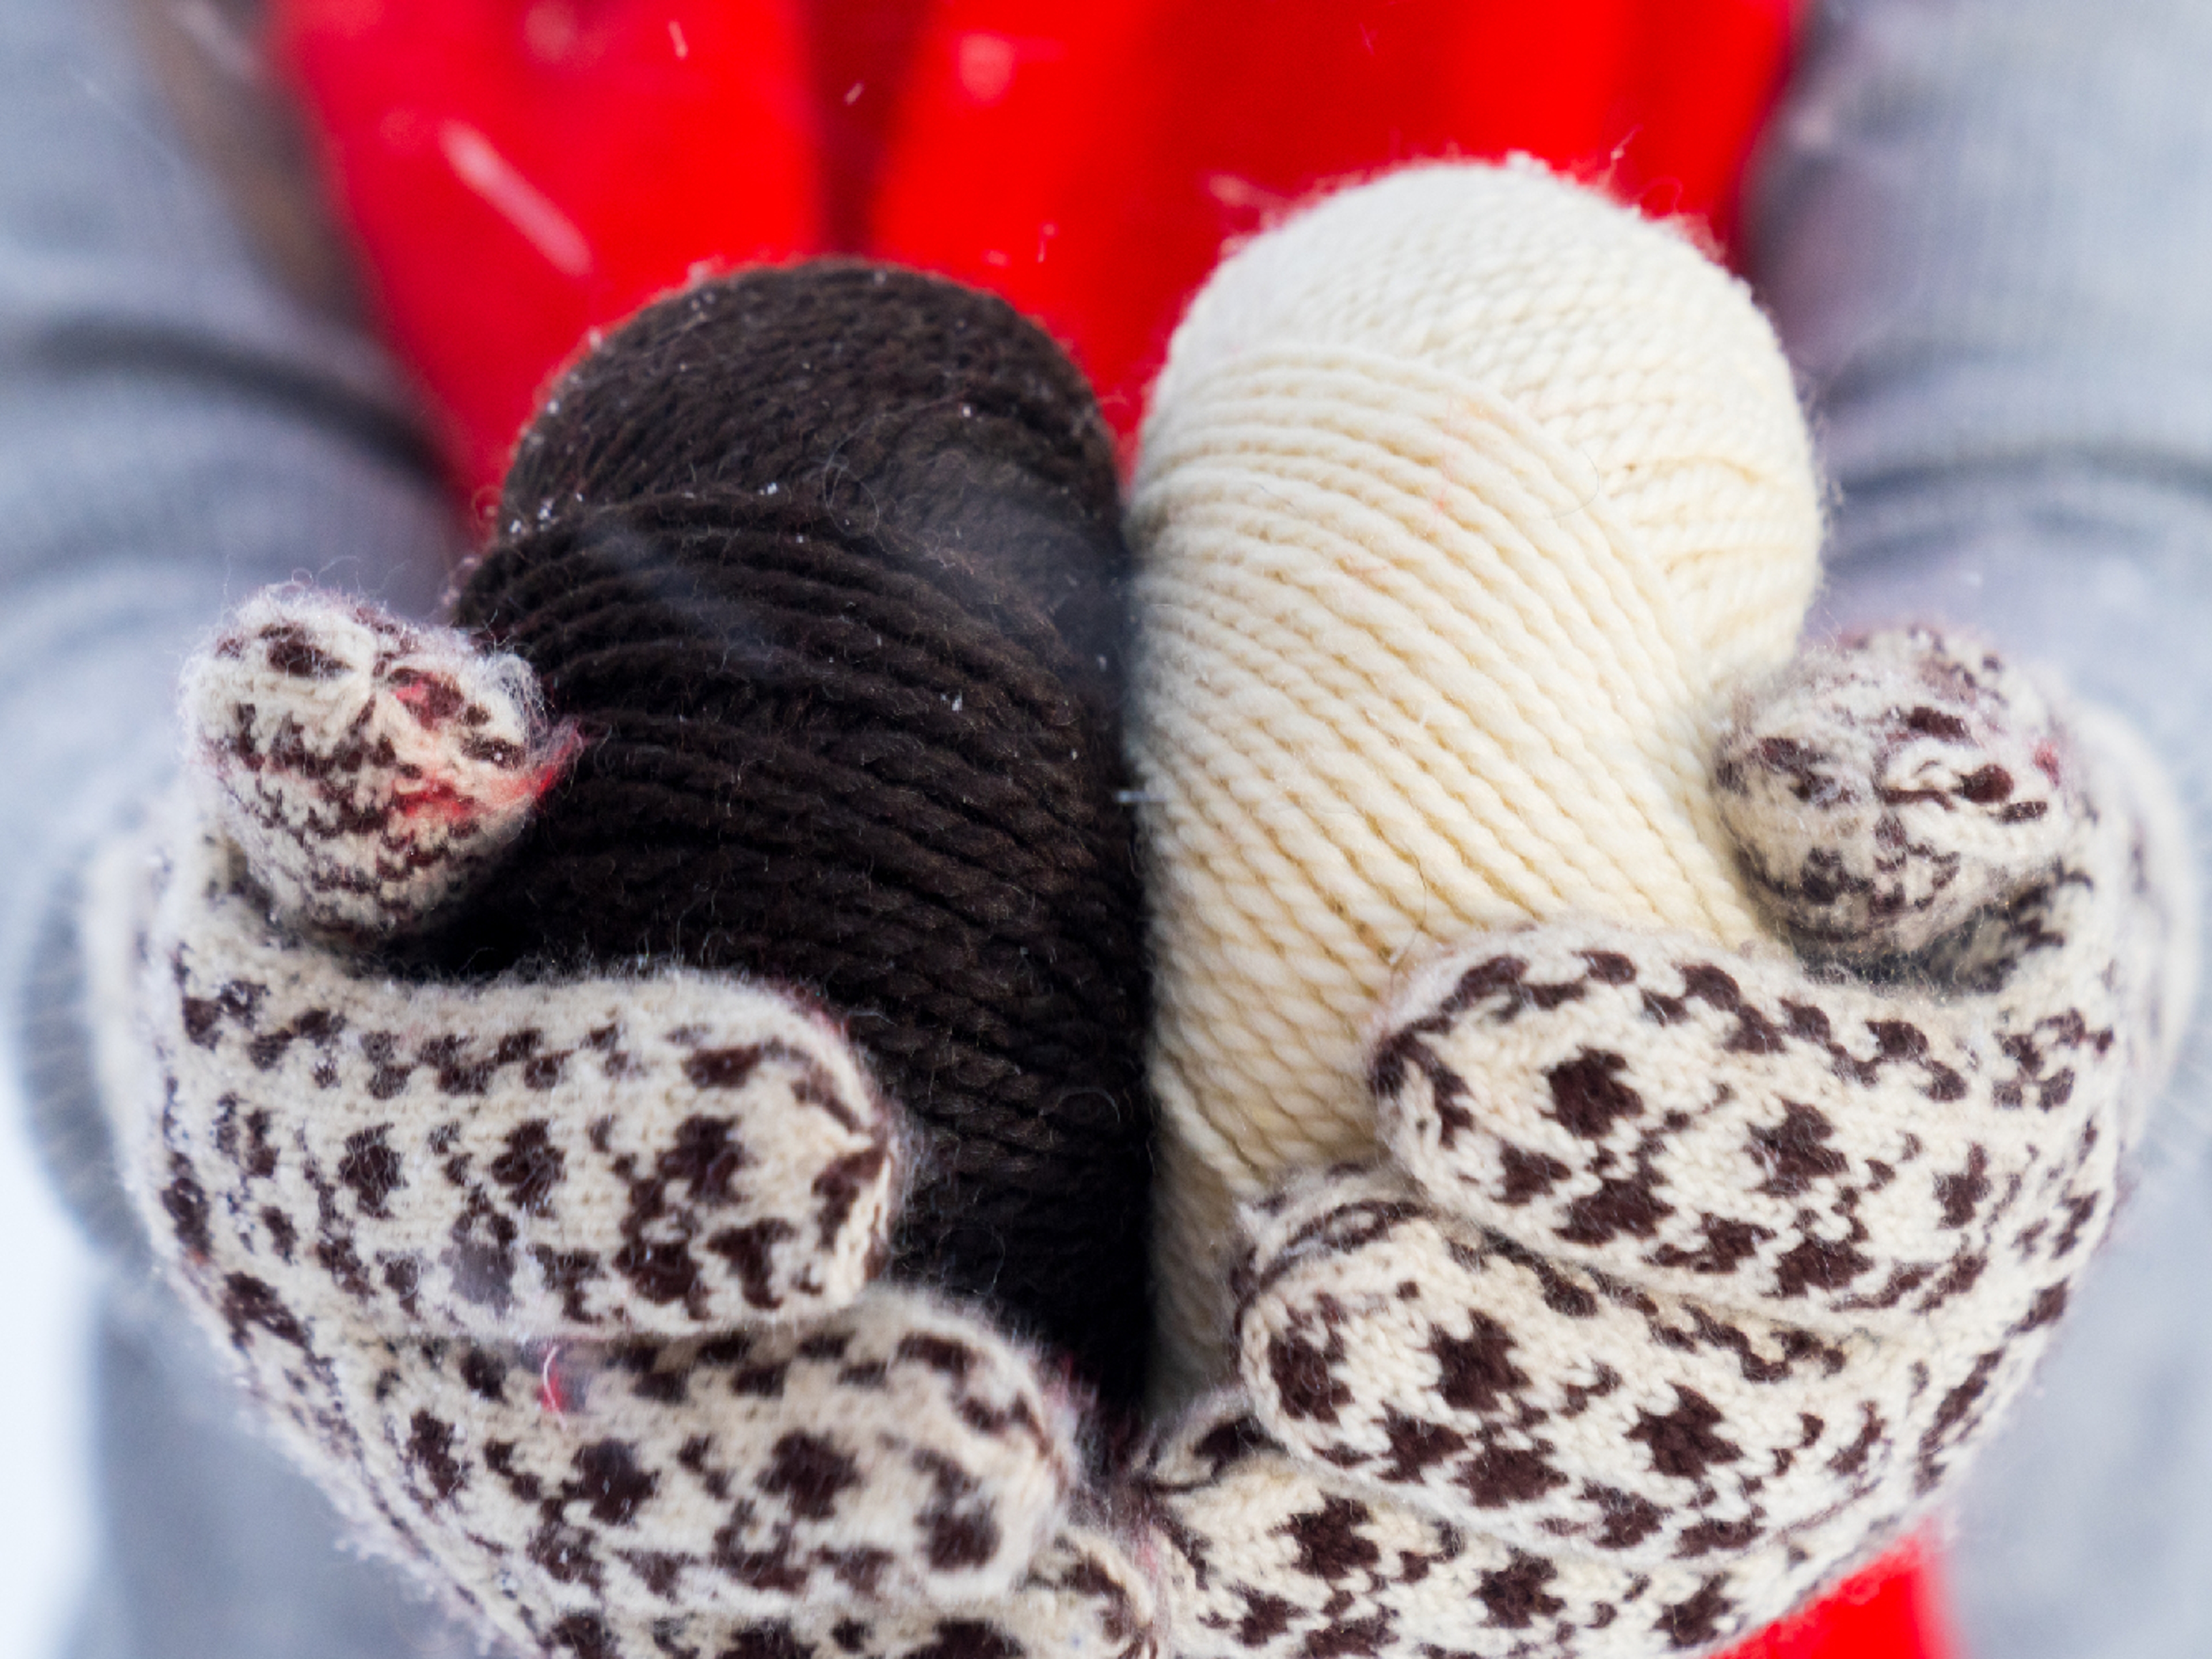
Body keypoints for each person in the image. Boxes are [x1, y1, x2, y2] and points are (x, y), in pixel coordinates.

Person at [3, 0, 2209, 1654]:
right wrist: (180, 995)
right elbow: (89, 474)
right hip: (471, 1494)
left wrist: (2066, 945)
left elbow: (2099, 454)